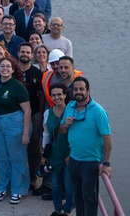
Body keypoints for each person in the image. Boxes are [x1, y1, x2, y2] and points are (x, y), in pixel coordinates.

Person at [60, 77, 112, 216]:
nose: (78, 92)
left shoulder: (98, 111)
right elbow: (62, 130)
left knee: (89, 197)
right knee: (78, 196)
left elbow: (107, 138)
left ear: (88, 91)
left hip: (91, 162)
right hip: (74, 159)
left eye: (82, 89)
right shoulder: (70, 107)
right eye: (75, 89)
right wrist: (66, 124)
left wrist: (106, 163)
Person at [0, 57, 31, 205]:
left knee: (17, 157)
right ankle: (2, 186)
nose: (5, 69)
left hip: (14, 123)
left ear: (13, 70)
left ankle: (17, 189)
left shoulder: (18, 86)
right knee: (1, 156)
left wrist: (25, 133)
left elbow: (27, 111)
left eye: (8, 66)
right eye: (2, 66)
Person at [42, 84, 75, 216]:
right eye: (54, 95)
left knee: (68, 185)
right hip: (54, 154)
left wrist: (71, 154)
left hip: (68, 154)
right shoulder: (47, 113)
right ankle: (57, 209)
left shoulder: (71, 112)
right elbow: (46, 135)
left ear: (65, 95)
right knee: (55, 185)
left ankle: (68, 211)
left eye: (59, 94)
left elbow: (77, 136)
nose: (57, 97)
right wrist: (44, 154)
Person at [18, 43, 45, 190]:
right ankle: (19, 176)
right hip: (16, 115)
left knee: (34, 146)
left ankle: (33, 175)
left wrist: (40, 113)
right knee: (17, 146)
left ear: (31, 55)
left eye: (28, 52)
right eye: (22, 52)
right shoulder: (13, 71)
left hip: (34, 114)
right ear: (18, 53)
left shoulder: (37, 73)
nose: (25, 54)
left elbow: (41, 95)